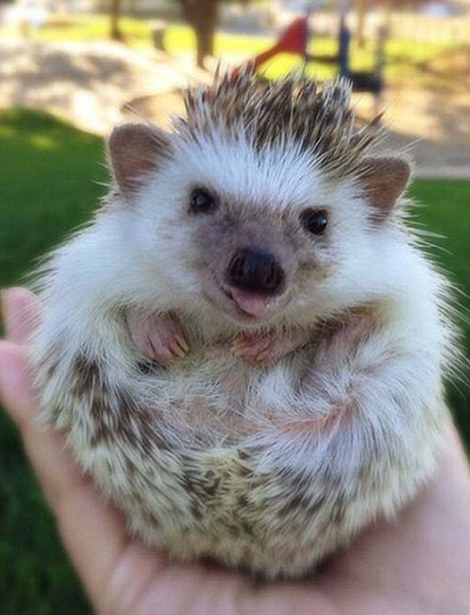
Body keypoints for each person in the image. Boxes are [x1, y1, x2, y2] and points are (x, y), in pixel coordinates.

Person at [1, 286, 470, 615]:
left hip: (267, 431)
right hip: (216, 424)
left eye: (314, 223)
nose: (256, 264)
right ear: (133, 180)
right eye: (203, 203)